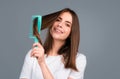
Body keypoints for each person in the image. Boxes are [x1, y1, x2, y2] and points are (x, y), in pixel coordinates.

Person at [19, 8, 87, 79]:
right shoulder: (33, 54)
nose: (60, 24)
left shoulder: (78, 60)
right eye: (58, 20)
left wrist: (42, 63)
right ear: (51, 23)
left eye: (67, 24)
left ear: (71, 33)